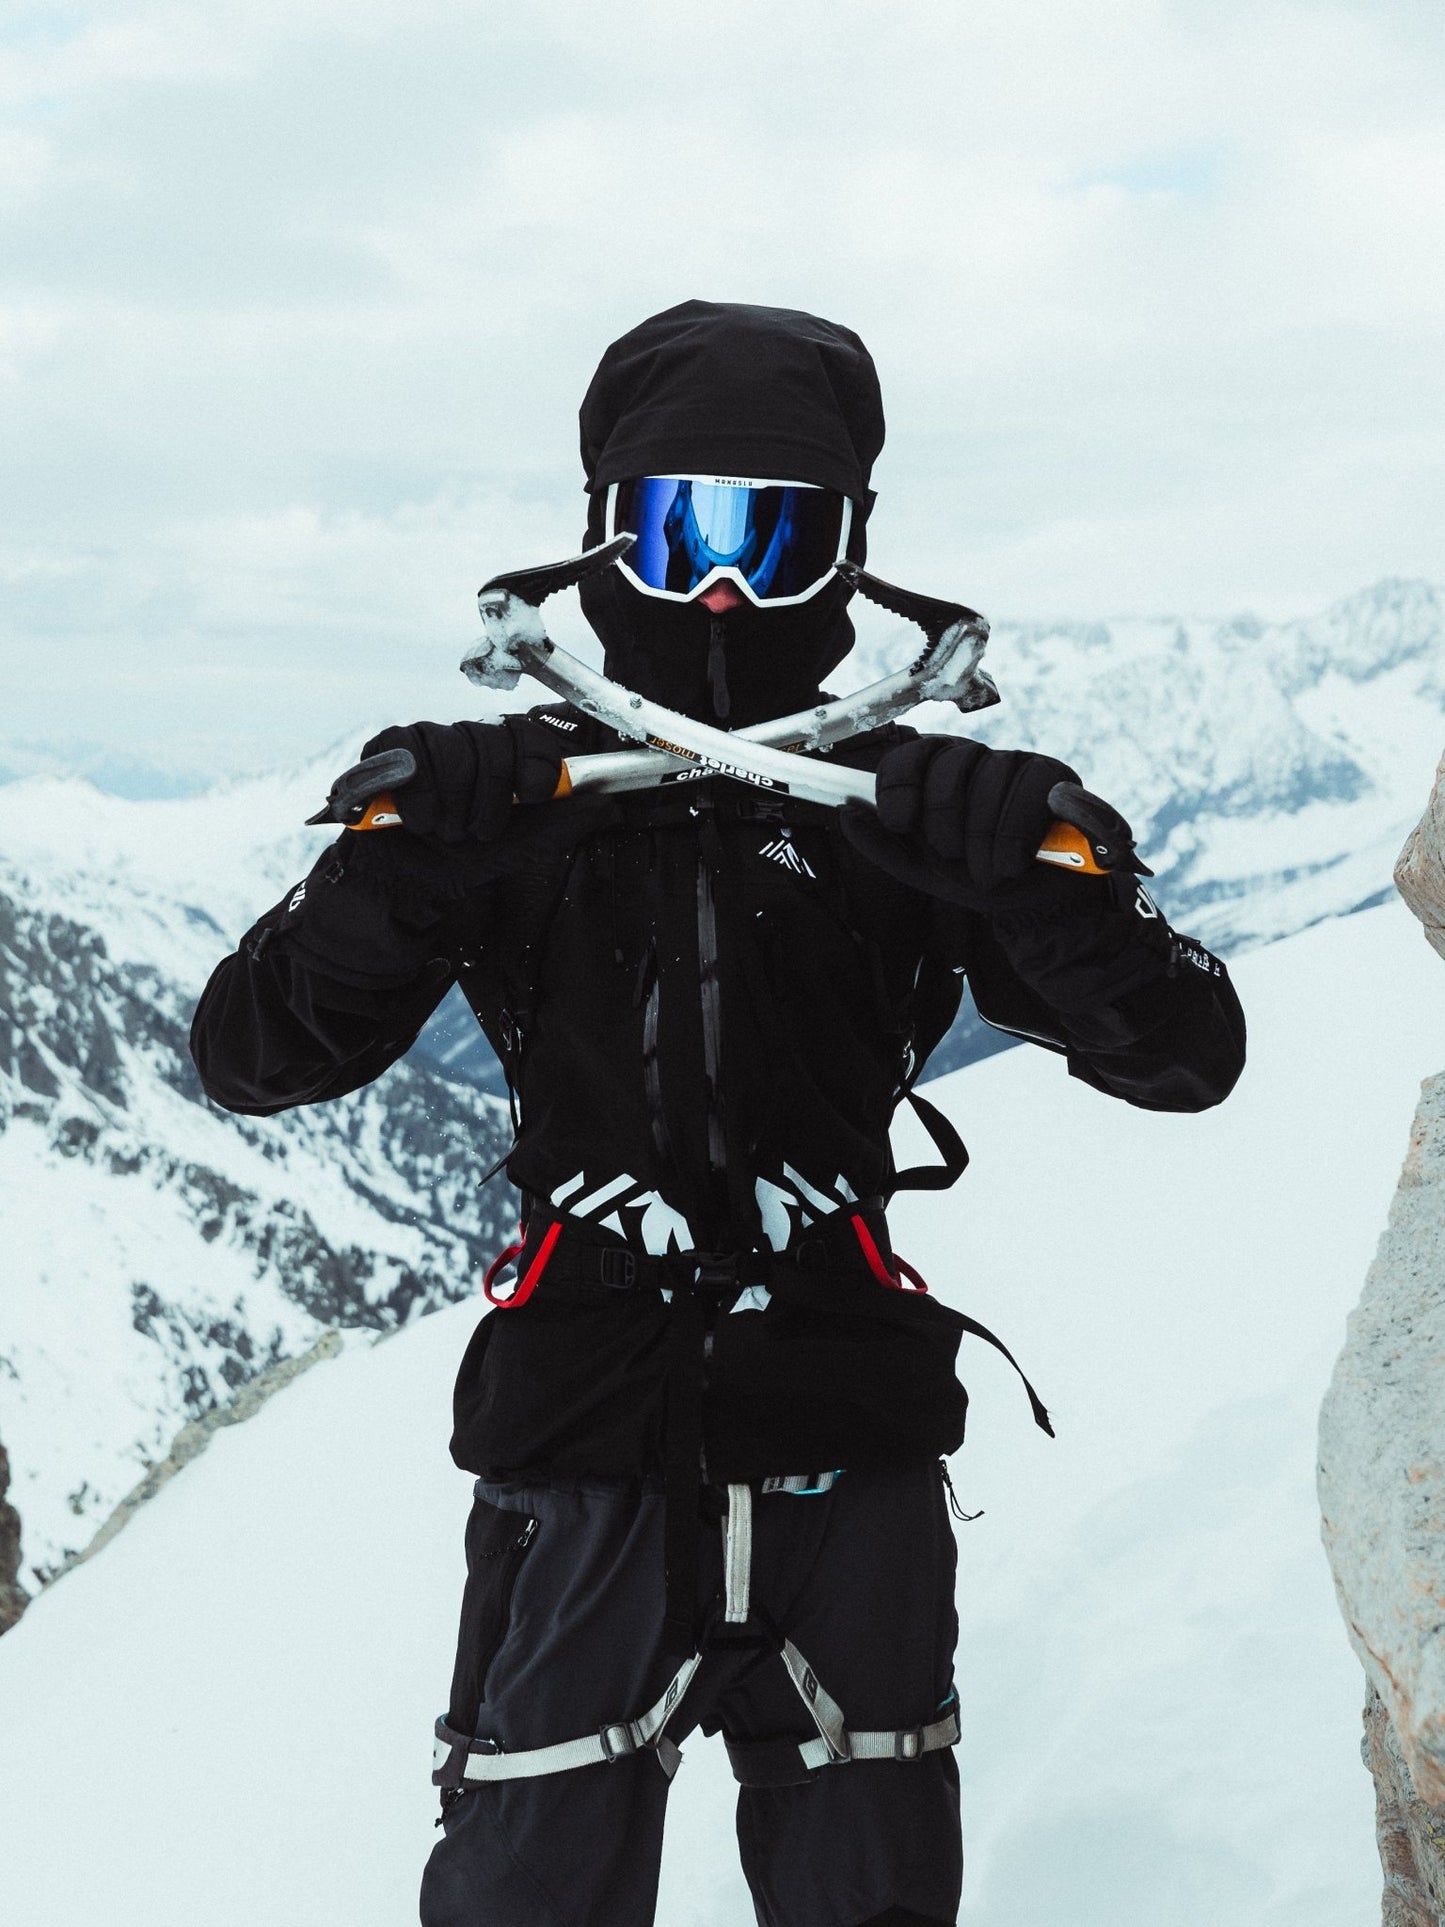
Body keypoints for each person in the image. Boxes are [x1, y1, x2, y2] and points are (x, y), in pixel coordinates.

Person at [190, 300, 1247, 1927]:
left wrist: (1058, 900)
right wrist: (385, 883)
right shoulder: (515, 811)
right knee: (526, 1896)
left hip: (846, 1444)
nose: (729, 589)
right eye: (684, 532)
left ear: (851, 553)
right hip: (587, 1442)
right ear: (607, 539)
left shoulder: (908, 816)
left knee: (867, 1896)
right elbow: (257, 1056)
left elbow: (1184, 1057)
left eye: (781, 536)